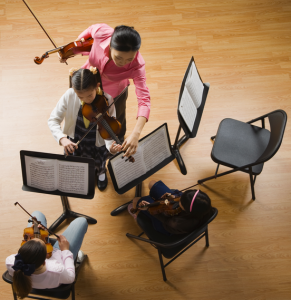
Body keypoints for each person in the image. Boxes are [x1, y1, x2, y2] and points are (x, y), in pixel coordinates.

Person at [59, 24, 151, 159]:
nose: (124, 63)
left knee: (115, 123)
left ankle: (113, 150)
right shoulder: (102, 32)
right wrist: (75, 49)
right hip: (86, 83)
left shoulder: (138, 65)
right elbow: (90, 31)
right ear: (111, 46)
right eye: (119, 57)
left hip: (113, 94)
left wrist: (136, 134)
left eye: (129, 59)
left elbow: (144, 100)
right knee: (81, 115)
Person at [48, 67, 122, 191]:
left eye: (89, 95)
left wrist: (112, 148)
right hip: (77, 137)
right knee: (79, 160)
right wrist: (62, 138)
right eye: (80, 97)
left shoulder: (107, 100)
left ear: (97, 86)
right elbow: (53, 120)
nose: (86, 100)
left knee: (100, 159)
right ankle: (83, 173)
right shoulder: (70, 95)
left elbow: (109, 129)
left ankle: (101, 173)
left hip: (98, 140)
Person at [5, 211, 88, 299]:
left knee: (37, 214)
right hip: (59, 256)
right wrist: (66, 250)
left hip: (37, 263)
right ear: (45, 261)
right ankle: (76, 255)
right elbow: (70, 277)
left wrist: (34, 234)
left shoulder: (11, 262)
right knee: (81, 221)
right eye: (44, 244)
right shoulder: (57, 270)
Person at [128, 180, 214, 235]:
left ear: (186, 209)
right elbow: (180, 196)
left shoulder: (177, 223)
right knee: (152, 183)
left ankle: (137, 214)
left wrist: (149, 208)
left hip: (165, 224)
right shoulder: (203, 206)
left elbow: (164, 219)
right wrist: (173, 196)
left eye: (181, 201)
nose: (179, 199)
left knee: (136, 200)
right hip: (174, 212)